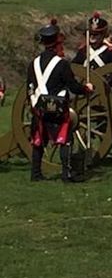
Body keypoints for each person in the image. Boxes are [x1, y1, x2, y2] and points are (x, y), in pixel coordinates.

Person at [26, 20, 94, 182]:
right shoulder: (62, 64)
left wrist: (33, 104)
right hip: (57, 109)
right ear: (57, 43)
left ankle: (35, 174)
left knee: (38, 141)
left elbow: (29, 86)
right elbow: (73, 86)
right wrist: (87, 89)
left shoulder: (32, 64)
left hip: (39, 108)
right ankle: (66, 173)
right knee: (65, 140)